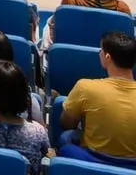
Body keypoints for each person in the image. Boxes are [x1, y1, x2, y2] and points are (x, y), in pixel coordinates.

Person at [58, 31, 136, 165]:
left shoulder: (85, 87)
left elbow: (66, 123)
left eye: (101, 50)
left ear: (107, 56)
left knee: (65, 140)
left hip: (92, 159)